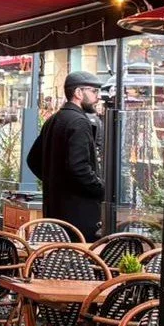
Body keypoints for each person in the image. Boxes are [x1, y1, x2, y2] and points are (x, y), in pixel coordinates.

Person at [26, 70, 106, 239]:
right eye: (93, 91)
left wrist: (54, 181)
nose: (97, 97)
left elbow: (32, 160)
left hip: (55, 210)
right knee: (81, 260)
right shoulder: (78, 122)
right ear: (78, 93)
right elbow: (79, 167)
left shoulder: (53, 120)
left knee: (59, 259)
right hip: (79, 214)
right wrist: (100, 189)